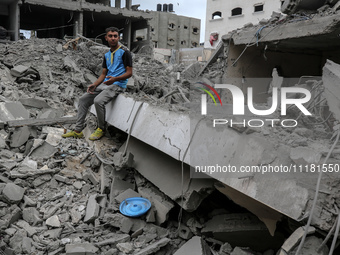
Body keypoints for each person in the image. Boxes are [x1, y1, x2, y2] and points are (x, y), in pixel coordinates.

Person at [62, 27, 132, 140]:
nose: (113, 38)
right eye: (110, 36)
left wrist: (115, 79)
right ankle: (78, 130)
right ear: (106, 38)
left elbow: (129, 73)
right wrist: (95, 84)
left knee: (98, 101)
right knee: (83, 99)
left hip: (118, 85)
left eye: (115, 36)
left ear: (119, 38)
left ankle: (101, 129)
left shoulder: (125, 53)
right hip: (106, 84)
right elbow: (103, 74)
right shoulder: (107, 55)